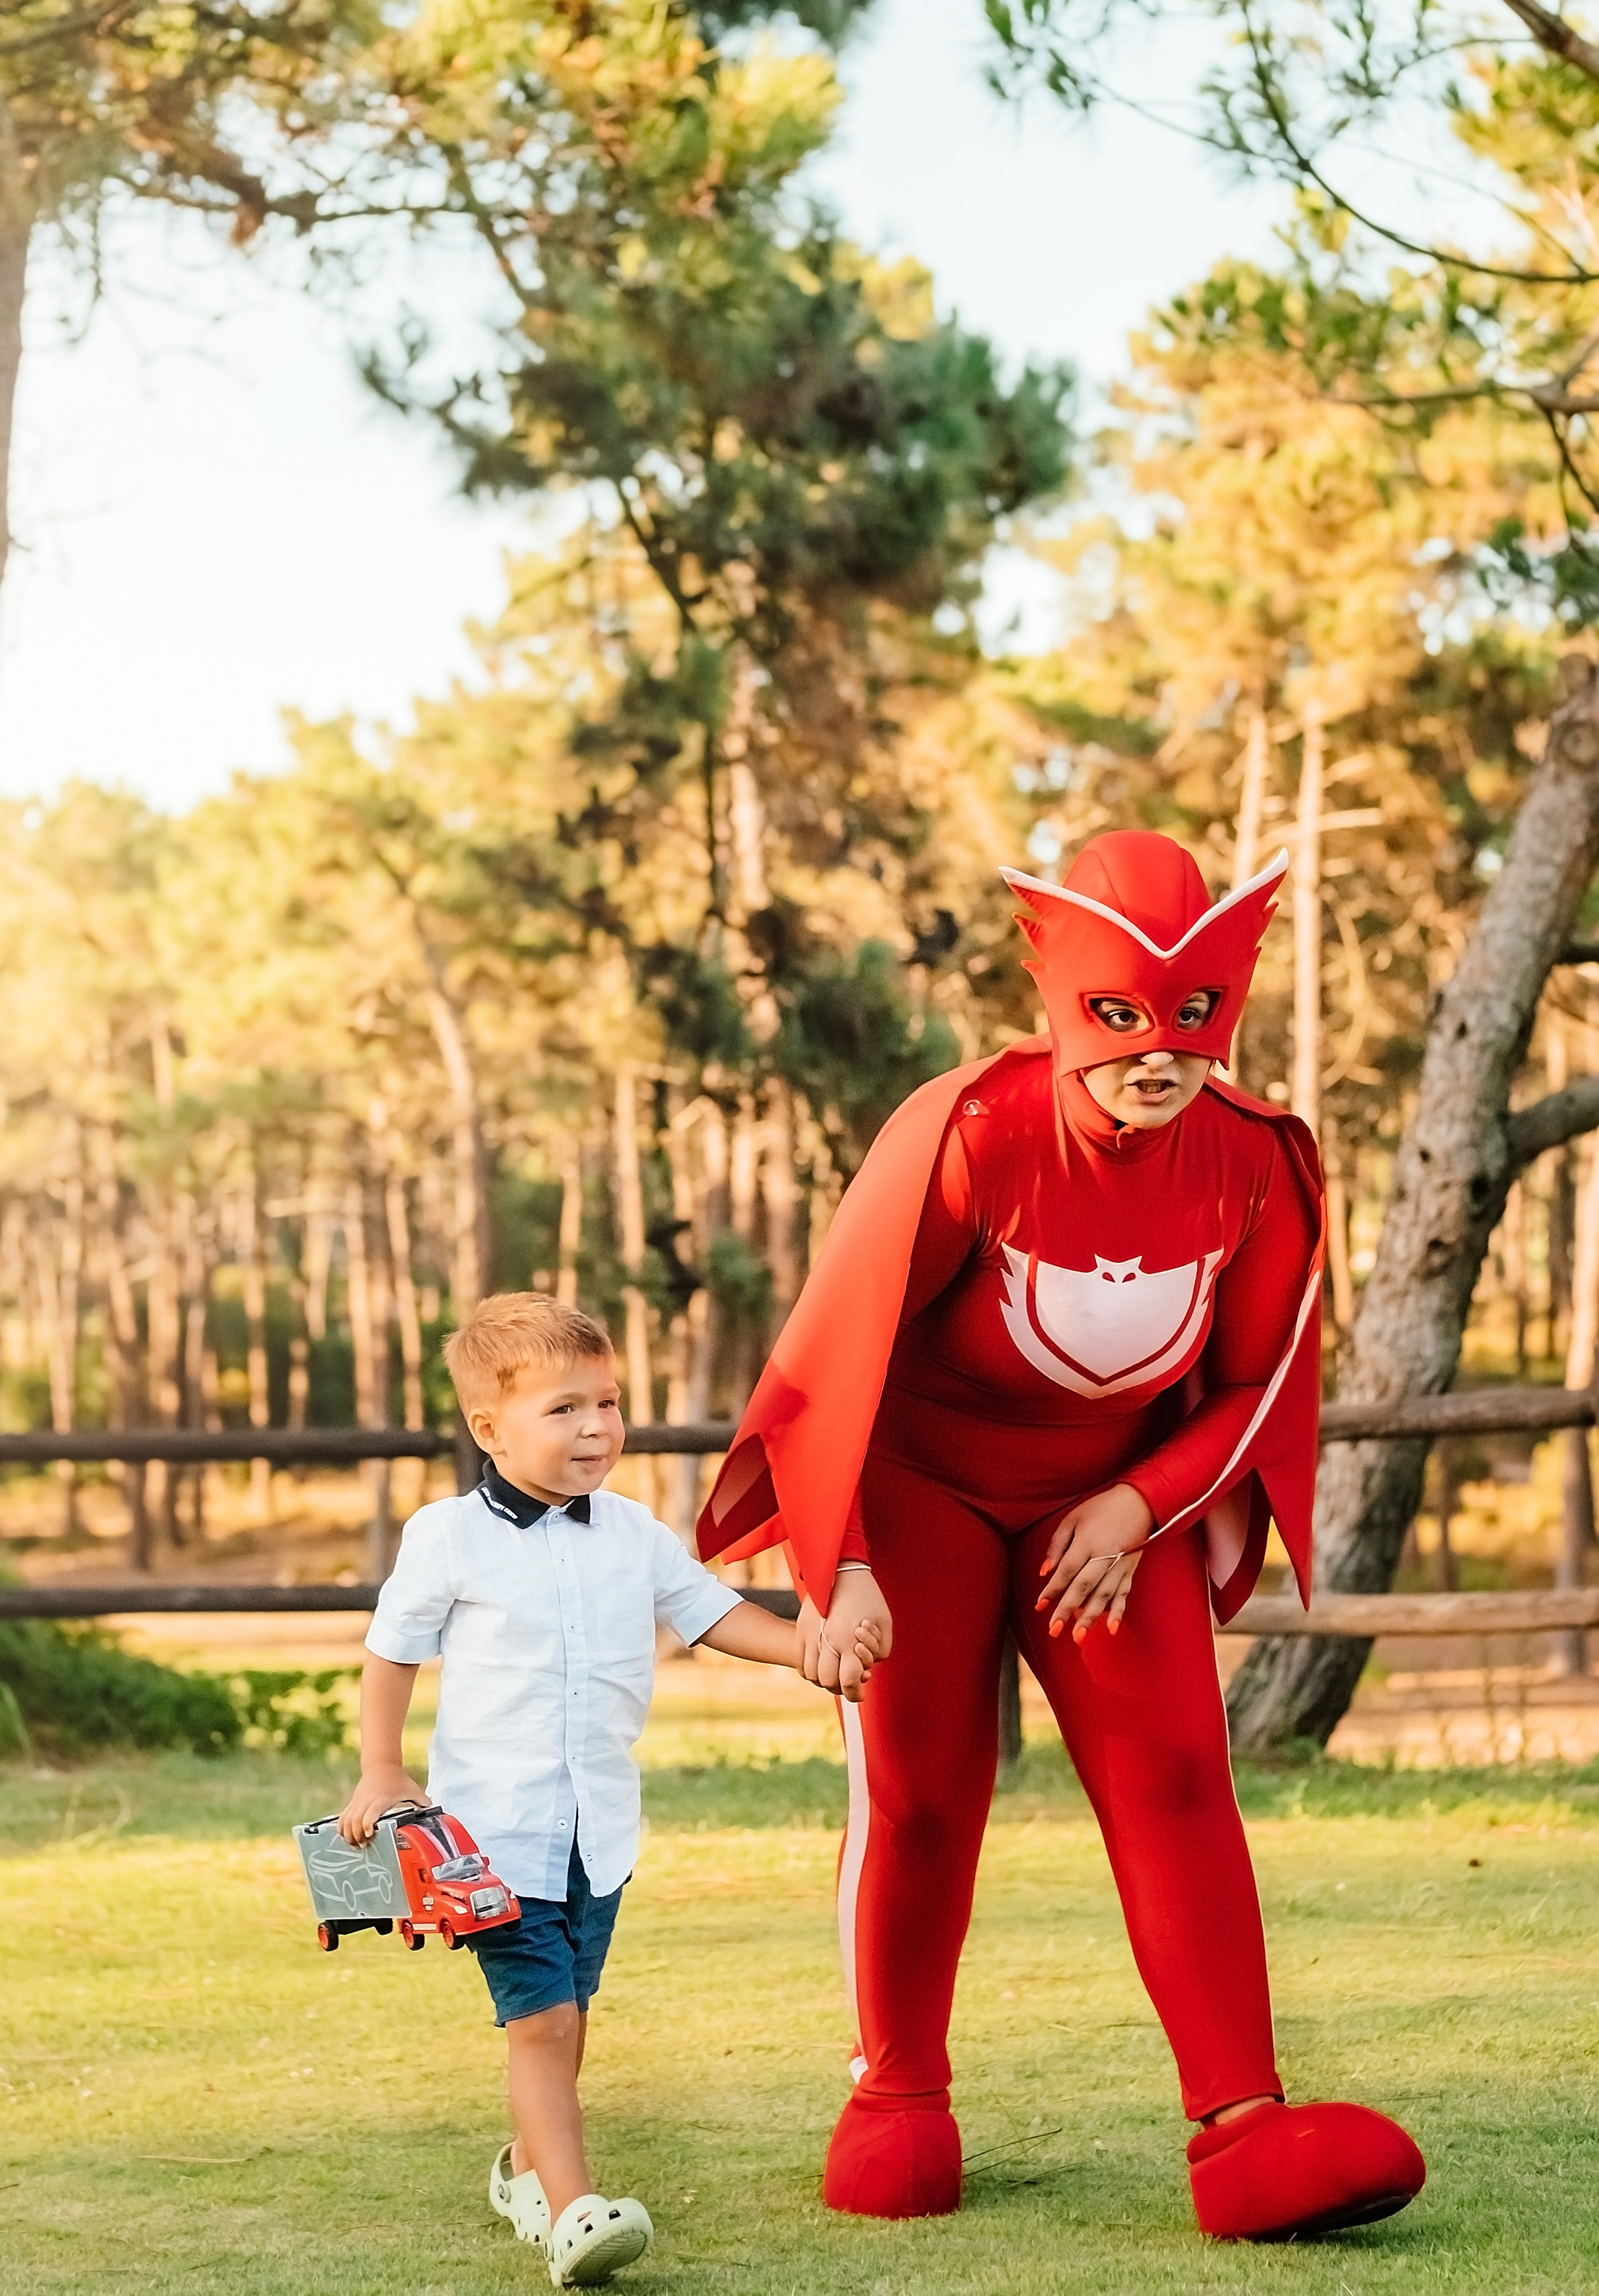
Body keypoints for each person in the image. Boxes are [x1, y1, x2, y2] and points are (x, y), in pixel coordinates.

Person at [696, 828, 1427, 2242]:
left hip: (1111, 1510)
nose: (1160, 1055)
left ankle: (1241, 2124)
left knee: (1177, 1776)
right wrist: (842, 1564)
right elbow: (837, 1359)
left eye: (1192, 1017)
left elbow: (1256, 1383)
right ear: (1064, 1003)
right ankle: (897, 2095)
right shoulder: (969, 1132)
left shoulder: (1258, 1161)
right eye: (1123, 1017)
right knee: (921, 1790)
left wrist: (1141, 1503)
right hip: (916, 1487)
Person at [337, 1292, 878, 2288]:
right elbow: (391, 1652)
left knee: (568, 2017)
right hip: (493, 1843)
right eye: (565, 1409)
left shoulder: (633, 1533)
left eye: (608, 1403)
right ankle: (576, 2211)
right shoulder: (447, 1537)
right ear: (490, 1430)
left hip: (599, 1838)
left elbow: (713, 1613)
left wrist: (810, 1650)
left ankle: (524, 2172)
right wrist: (382, 1766)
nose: (596, 1427)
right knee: (541, 2024)